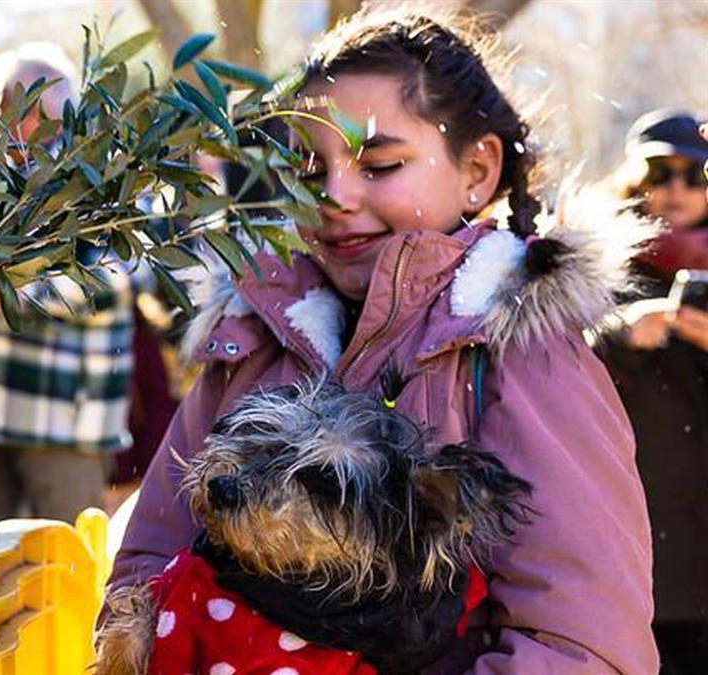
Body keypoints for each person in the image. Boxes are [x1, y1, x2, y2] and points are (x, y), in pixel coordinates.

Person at [111, 7, 657, 673]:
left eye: (380, 163)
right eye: (311, 171)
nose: (335, 194)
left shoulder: (524, 356)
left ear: (479, 170)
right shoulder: (254, 334)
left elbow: (586, 647)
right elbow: (148, 565)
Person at [0, 44, 135, 532]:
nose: (25, 122)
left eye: (39, 106)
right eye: (13, 106)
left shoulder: (102, 185)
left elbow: (112, 280)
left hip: (64, 414)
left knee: (66, 563)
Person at [600, 110, 708, 674]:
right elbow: (549, 361)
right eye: (659, 171)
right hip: (634, 541)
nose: (675, 189)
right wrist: (622, 332)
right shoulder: (599, 262)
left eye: (696, 174)